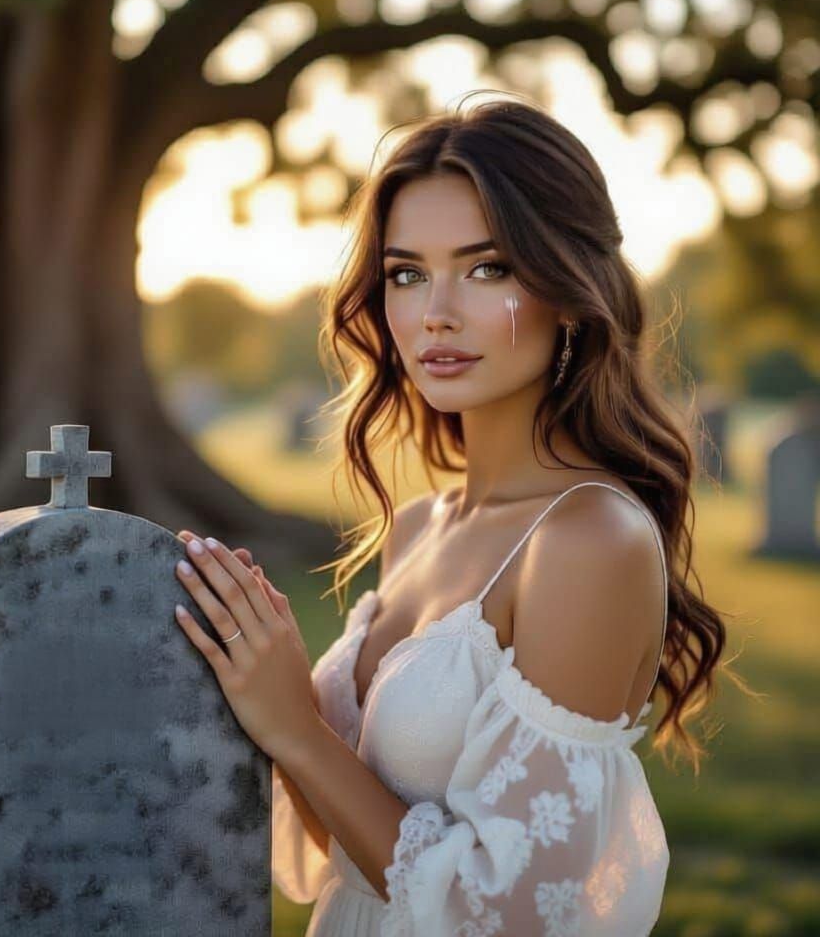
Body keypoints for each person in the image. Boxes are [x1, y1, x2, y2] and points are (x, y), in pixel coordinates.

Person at [175, 92, 727, 936]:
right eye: (406, 273)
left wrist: (298, 728)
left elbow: (508, 917)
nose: (436, 310)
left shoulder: (588, 542)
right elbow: (349, 851)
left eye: (487, 268)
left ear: (569, 290)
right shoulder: (417, 527)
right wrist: (258, 696)